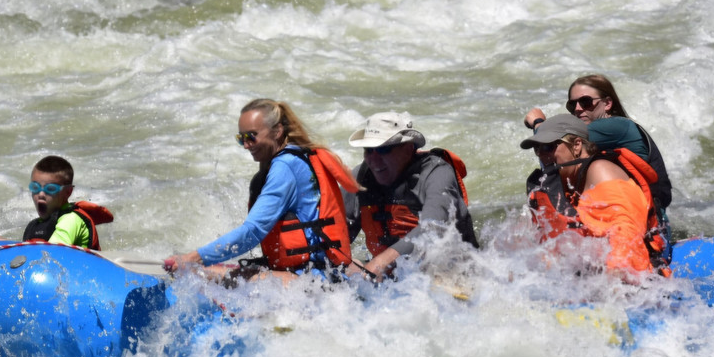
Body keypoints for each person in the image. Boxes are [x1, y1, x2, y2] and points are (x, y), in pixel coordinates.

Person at [164, 98, 360, 280]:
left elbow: (252, 232)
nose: (246, 145)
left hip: (315, 279)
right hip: (313, 272)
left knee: (207, 274)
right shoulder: (294, 157)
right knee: (214, 273)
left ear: (277, 131)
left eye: (252, 137)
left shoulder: (285, 167)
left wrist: (195, 257)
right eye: (241, 138)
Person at [523, 73, 672, 260]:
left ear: (607, 104)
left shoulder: (616, 126)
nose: (577, 109)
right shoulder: (581, 149)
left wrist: (538, 123)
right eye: (572, 105)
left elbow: (557, 137)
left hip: (650, 230)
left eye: (585, 102)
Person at [520, 116, 667, 280]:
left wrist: (615, 281)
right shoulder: (566, 182)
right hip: (586, 276)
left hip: (634, 279)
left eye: (548, 147)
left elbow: (625, 230)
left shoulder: (600, 171)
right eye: (537, 149)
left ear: (576, 145)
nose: (541, 155)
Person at [342, 111, 479, 281]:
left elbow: (434, 226)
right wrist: (346, 264)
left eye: (384, 149)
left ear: (408, 148)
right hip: (389, 281)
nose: (374, 160)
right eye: (369, 151)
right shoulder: (360, 178)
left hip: (449, 276)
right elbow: (335, 236)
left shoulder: (437, 173)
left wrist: (381, 262)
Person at [23, 155, 114, 250]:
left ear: (68, 192)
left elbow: (52, 253)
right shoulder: (34, 225)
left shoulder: (71, 220)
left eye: (50, 189)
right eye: (35, 187)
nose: (41, 194)